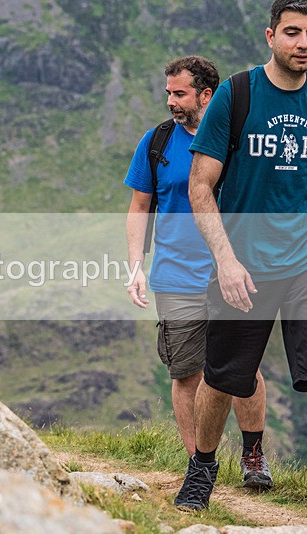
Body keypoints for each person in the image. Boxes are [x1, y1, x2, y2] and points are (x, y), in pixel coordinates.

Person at [176, 0, 307, 512]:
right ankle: (203, 468)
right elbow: (200, 186)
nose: (303, 43)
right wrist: (226, 260)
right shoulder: (238, 94)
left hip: (302, 265)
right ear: (270, 36)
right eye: (293, 32)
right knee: (222, 377)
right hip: (244, 264)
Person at [124, 57, 269, 480]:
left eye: (179, 93)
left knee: (243, 368)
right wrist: (136, 266)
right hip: (174, 276)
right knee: (186, 373)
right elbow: (139, 208)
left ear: (207, 94)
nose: (170, 100)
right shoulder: (156, 143)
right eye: (168, 92)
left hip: (235, 272)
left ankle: (252, 457)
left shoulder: (238, 139)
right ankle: (199, 467)